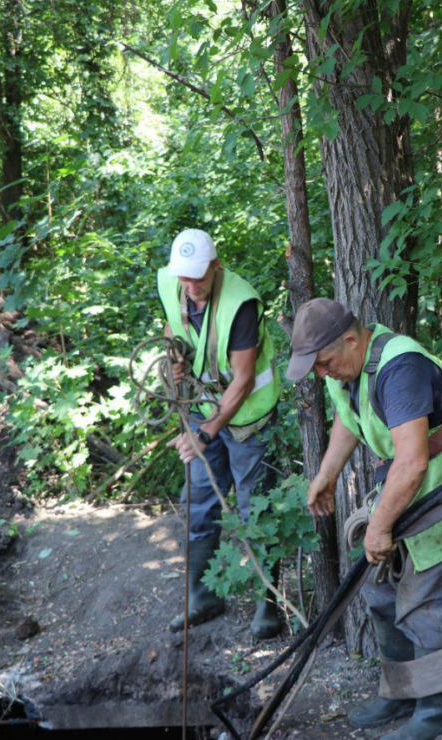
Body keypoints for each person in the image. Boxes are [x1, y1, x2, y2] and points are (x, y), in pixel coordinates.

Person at [286, 298, 442, 740]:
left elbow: (412, 463)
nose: (322, 375)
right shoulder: (344, 367)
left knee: (427, 602)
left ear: (351, 340)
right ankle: (401, 691)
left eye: (325, 364)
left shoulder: (398, 368)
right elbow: (349, 420)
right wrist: (326, 475)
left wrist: (381, 526)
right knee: (378, 588)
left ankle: (436, 709)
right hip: (409, 483)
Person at [155, 228, 283, 638]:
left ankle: (269, 606)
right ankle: (202, 595)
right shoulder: (172, 283)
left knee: (255, 510)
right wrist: (177, 358)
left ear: (216, 266)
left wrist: (206, 434)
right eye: (184, 279)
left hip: (249, 420)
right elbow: (175, 330)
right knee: (196, 501)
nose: (191, 287)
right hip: (205, 407)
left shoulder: (240, 304)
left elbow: (243, 380)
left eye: (199, 277)